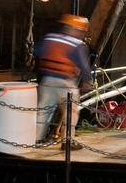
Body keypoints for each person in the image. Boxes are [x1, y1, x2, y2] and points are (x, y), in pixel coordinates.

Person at [34, 14, 92, 145]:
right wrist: (88, 81)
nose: (81, 33)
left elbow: (36, 51)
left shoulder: (49, 38)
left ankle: (36, 139)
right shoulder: (77, 44)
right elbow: (84, 66)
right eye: (80, 31)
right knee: (71, 113)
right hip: (66, 84)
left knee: (42, 111)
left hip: (47, 82)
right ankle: (68, 142)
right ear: (74, 29)